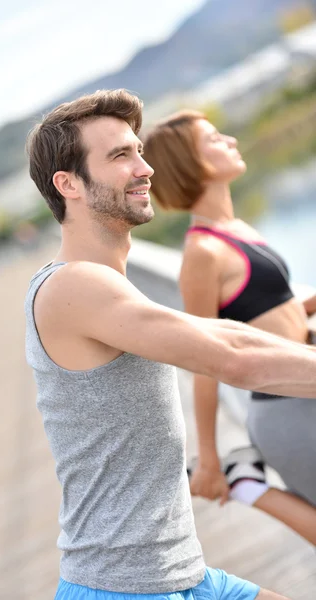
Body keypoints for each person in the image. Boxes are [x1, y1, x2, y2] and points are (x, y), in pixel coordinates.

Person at [24, 89, 316, 600]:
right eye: (120, 155)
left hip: (184, 575)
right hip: (122, 588)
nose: (145, 168)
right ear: (67, 183)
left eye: (139, 150)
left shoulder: (104, 282)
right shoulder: (71, 287)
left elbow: (228, 333)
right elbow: (235, 360)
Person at [143, 109, 316, 545]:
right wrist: (210, 460)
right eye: (215, 140)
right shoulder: (202, 253)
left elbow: (272, 311)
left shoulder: (236, 229)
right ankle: (247, 486)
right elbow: (205, 360)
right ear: (190, 164)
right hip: (286, 407)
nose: (232, 141)